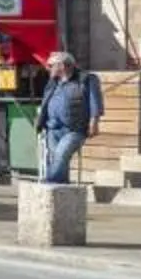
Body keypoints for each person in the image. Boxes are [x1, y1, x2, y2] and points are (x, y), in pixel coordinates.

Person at [37, 50, 104, 185]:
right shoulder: (53, 83)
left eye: (51, 65)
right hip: (53, 129)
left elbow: (95, 101)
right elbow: (45, 102)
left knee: (61, 154)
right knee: (57, 158)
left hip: (75, 129)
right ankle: (62, 188)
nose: (47, 68)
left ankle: (51, 183)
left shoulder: (86, 79)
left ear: (62, 65)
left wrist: (94, 122)